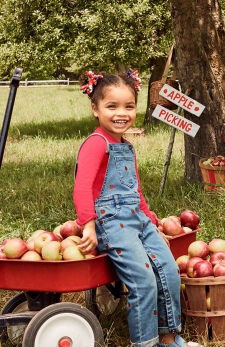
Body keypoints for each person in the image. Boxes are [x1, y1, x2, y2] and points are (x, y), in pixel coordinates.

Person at [73, 71, 186, 347]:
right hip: (111, 223)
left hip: (137, 219)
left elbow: (135, 192)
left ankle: (168, 338)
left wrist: (152, 222)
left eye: (129, 106)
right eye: (112, 106)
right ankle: (145, 342)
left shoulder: (127, 146)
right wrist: (88, 224)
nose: (121, 113)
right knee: (144, 281)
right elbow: (82, 187)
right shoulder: (95, 144)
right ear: (95, 109)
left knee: (170, 271)